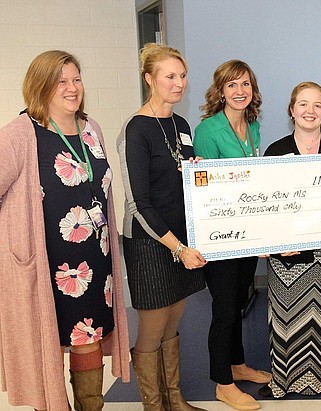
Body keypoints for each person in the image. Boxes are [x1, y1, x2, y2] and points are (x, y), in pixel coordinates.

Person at [0, 50, 130, 411]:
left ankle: (91, 406)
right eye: (61, 81)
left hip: (94, 260)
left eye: (76, 79)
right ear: (40, 86)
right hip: (48, 264)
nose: (72, 88)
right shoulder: (20, 134)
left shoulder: (92, 128)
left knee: (87, 335)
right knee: (50, 342)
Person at [117, 43, 206, 411]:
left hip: (180, 239)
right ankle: (153, 406)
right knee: (152, 331)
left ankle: (175, 399)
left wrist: (196, 171)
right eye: (170, 76)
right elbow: (140, 203)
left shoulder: (181, 124)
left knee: (173, 323)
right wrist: (178, 249)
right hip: (150, 242)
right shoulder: (136, 130)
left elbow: (180, 178)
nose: (179, 83)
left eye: (182, 75)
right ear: (149, 79)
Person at [260, 81, 321, 398]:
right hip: (290, 254)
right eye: (303, 104)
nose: (310, 111)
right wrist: (267, 241)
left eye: (317, 105)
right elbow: (265, 205)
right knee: (289, 318)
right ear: (292, 110)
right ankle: (288, 380)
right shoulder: (274, 151)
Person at [193, 60, 269, 411]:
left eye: (246, 85)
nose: (240, 92)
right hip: (219, 235)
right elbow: (203, 188)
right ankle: (223, 383)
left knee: (238, 302)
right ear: (220, 90)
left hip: (246, 234)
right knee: (224, 310)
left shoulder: (252, 127)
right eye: (232, 85)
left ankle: (237, 365)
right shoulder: (208, 130)